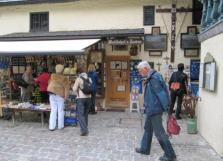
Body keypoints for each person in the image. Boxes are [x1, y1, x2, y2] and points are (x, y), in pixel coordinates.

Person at [135, 61, 176, 161]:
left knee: (160, 133)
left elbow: (161, 94)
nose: (140, 73)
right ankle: (145, 148)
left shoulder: (154, 78)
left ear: (146, 68)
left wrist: (167, 108)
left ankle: (170, 155)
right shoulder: (151, 76)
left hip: (155, 109)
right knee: (148, 128)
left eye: (140, 71)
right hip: (151, 109)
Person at [47, 64, 70, 131]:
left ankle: (51, 127)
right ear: (62, 70)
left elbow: (49, 83)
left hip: (51, 93)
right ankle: (60, 126)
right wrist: (66, 97)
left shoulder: (52, 76)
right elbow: (66, 88)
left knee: (53, 110)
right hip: (59, 94)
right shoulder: (64, 78)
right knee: (60, 110)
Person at [73, 67, 92, 136]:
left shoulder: (79, 79)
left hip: (81, 98)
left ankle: (84, 131)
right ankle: (85, 128)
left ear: (79, 73)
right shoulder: (89, 79)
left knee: (81, 114)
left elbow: (74, 89)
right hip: (89, 98)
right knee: (85, 114)